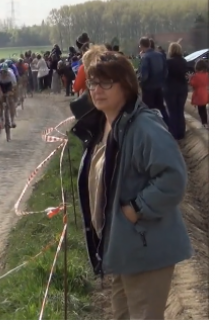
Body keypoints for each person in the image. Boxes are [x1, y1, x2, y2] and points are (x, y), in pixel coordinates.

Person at [69, 46, 192, 320]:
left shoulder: (144, 128)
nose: (96, 89)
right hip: (123, 249)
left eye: (105, 82)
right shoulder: (106, 125)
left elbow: (173, 177)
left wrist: (135, 208)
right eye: (92, 82)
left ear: (125, 85)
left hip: (145, 250)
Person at [138, 37, 170, 126]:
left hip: (148, 88)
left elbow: (145, 75)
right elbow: (165, 71)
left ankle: (152, 127)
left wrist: (140, 82)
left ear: (141, 46)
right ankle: (168, 126)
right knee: (161, 107)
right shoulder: (160, 55)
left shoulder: (145, 57)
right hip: (159, 86)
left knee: (148, 109)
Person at [164, 42, 189, 139]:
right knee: (180, 111)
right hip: (182, 89)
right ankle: (181, 132)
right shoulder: (184, 61)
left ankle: (174, 133)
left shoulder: (168, 62)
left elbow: (165, 75)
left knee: (172, 112)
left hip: (170, 89)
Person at [0, 63, 17, 129]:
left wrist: (12, 93)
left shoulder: (11, 74)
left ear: (7, 71)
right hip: (0, 85)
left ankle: (12, 120)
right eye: (2, 72)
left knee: (11, 100)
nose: (3, 73)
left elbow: (14, 86)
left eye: (5, 72)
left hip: (8, 85)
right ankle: (1, 117)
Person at [189, 59, 209, 128]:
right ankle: (206, 121)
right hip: (206, 93)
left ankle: (204, 123)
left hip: (199, 94)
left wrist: (190, 78)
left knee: (201, 110)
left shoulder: (195, 76)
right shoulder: (207, 74)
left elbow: (193, 84)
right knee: (204, 108)